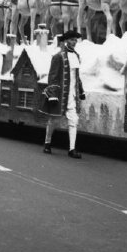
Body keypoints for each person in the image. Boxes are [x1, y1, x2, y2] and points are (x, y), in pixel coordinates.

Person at [41, 30, 86, 159]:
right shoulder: (58, 56)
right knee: (53, 120)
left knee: (74, 121)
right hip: (60, 95)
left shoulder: (76, 56)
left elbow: (76, 76)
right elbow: (53, 77)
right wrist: (53, 94)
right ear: (66, 41)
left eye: (75, 40)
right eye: (72, 40)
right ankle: (47, 143)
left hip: (72, 96)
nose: (74, 42)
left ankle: (72, 149)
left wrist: (81, 91)